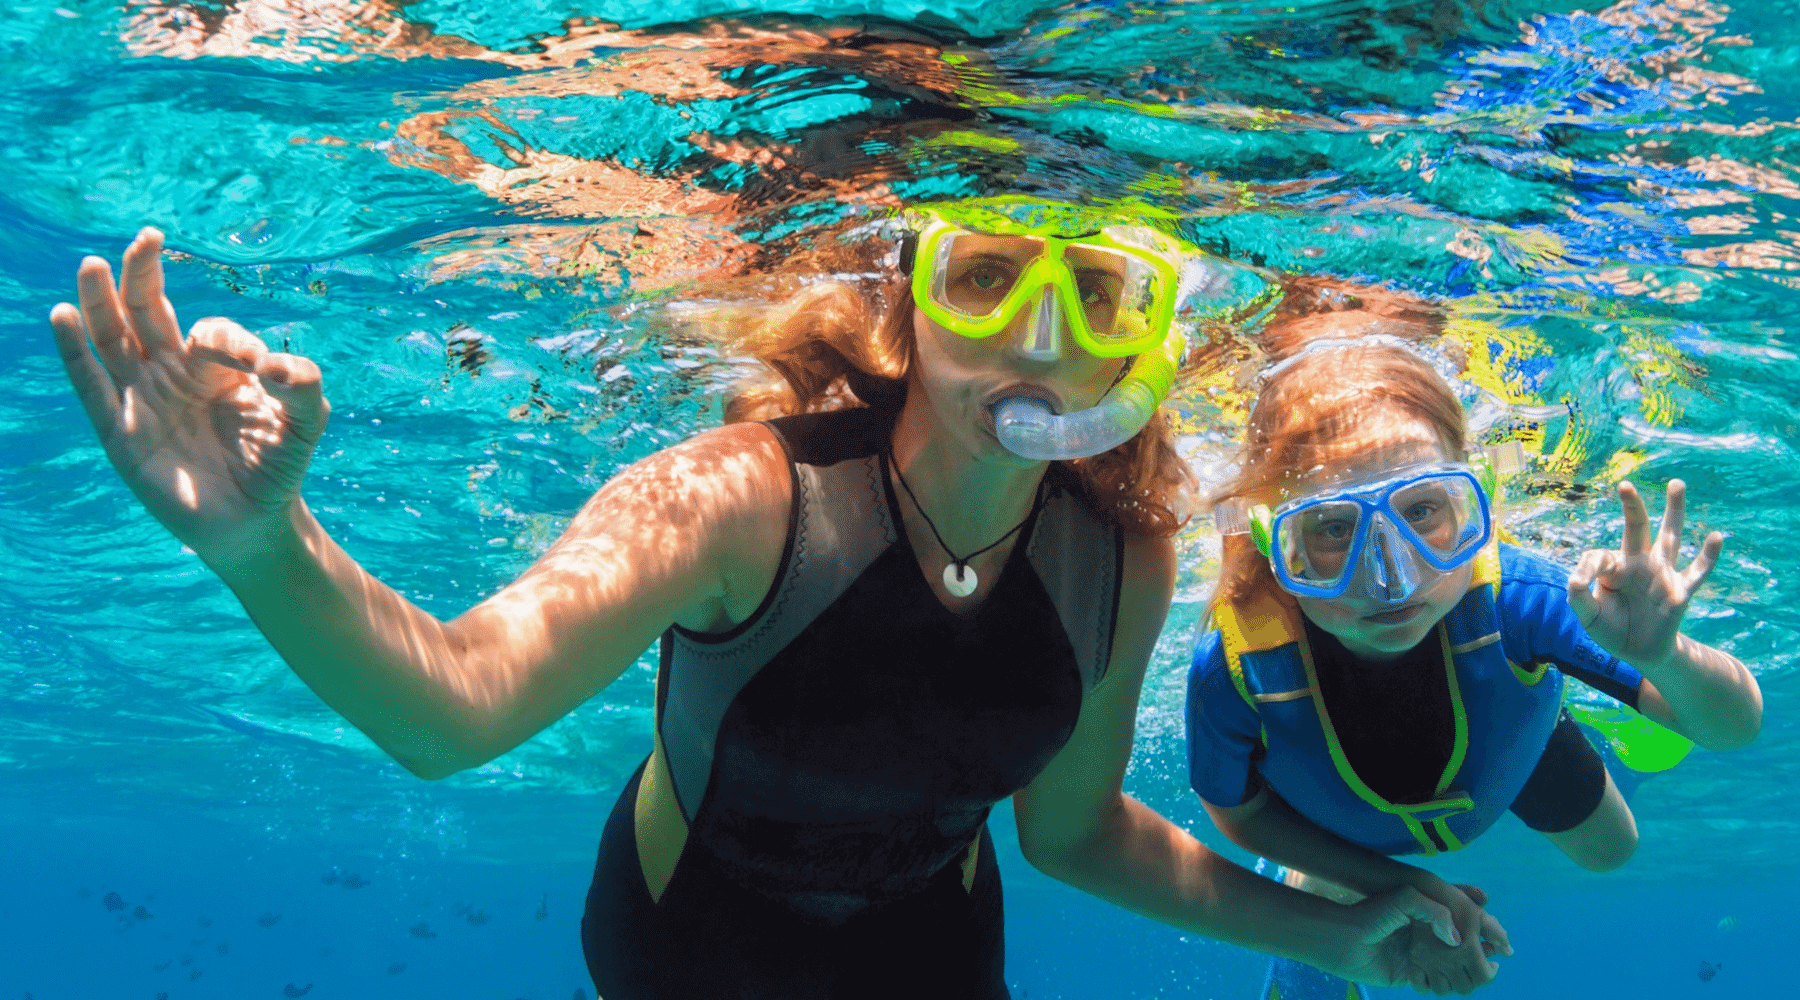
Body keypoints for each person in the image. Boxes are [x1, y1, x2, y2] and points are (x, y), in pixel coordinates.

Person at [53, 200, 1492, 999]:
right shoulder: (744, 497)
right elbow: (453, 704)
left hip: (939, 949)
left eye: (1100, 301)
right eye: (986, 281)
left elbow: (1069, 833)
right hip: (691, 941)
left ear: (1145, 350)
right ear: (910, 308)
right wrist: (261, 540)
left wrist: (1338, 922)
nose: (1036, 345)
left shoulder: (1124, 552)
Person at [1185, 306, 1764, 998]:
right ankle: (1322, 881)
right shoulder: (1237, 663)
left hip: (1512, 745)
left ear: (1477, 503)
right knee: (1339, 895)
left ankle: (1608, 719)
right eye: (1334, 529)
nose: (1391, 578)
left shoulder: (1517, 598)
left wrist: (1666, 658)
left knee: (1615, 850)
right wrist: (1399, 884)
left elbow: (1735, 728)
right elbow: (1236, 812)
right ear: (1269, 542)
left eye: (1424, 512)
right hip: (1334, 828)